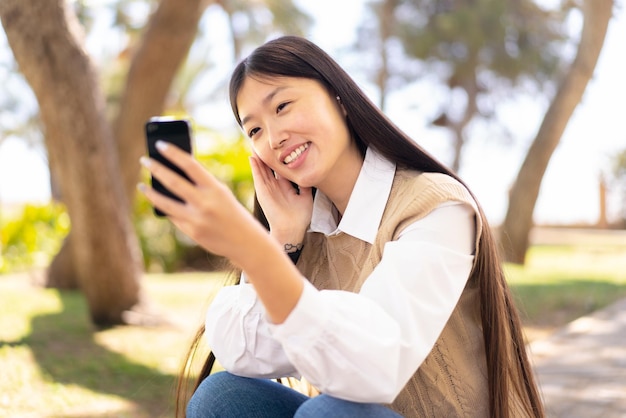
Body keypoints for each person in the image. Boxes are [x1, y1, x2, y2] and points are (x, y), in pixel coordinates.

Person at [138, 35, 544, 418]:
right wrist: (280, 243)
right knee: (223, 395)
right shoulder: (304, 227)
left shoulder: (434, 205)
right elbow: (241, 353)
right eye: (255, 129)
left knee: (331, 412)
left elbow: (374, 368)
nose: (275, 136)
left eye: (282, 107)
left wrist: (250, 248)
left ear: (340, 100)